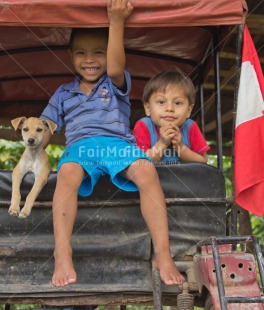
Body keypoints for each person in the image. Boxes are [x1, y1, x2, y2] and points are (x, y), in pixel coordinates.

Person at [40, 0, 185, 287]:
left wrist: (116, 21)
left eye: (98, 52)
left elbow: (116, 66)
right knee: (67, 173)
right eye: (80, 53)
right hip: (82, 146)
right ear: (70, 56)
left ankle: (163, 254)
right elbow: (46, 126)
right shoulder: (63, 92)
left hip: (119, 144)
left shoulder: (113, 83)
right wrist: (36, 149)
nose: (89, 59)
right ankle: (62, 253)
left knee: (146, 170)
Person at [133, 70, 210, 163]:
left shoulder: (190, 127)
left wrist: (180, 147)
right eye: (161, 102)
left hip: (184, 177)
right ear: (148, 108)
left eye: (177, 103)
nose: (169, 108)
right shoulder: (143, 125)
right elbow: (141, 163)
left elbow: (203, 161)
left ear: (189, 110)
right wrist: (162, 143)